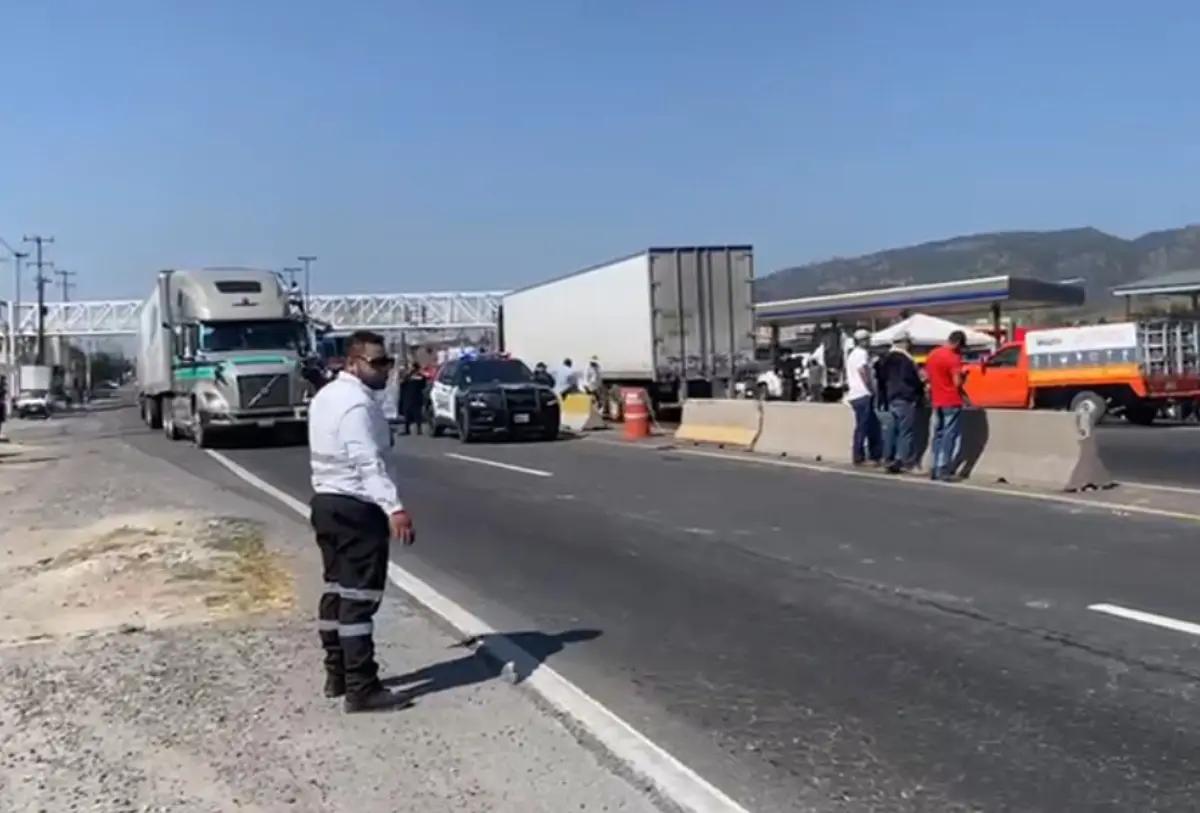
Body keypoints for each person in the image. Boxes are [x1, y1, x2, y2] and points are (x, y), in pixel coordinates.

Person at [307, 330, 416, 713]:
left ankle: (336, 675)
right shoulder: (356, 405)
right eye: (377, 362)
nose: (384, 369)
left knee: (336, 591)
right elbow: (366, 461)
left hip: (326, 504)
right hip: (355, 507)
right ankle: (361, 687)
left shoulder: (327, 396)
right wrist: (394, 508)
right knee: (359, 598)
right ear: (354, 363)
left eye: (387, 362)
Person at [876, 331, 923, 473]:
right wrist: (919, 390)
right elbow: (910, 379)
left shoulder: (885, 359)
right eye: (909, 342)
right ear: (904, 342)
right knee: (906, 431)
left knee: (891, 430)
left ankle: (888, 459)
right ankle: (906, 462)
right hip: (906, 397)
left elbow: (881, 380)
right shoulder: (905, 360)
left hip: (891, 398)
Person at [926, 330, 968, 481]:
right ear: (957, 343)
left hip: (936, 399)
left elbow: (928, 376)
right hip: (951, 400)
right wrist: (964, 375)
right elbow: (957, 383)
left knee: (937, 434)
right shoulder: (953, 358)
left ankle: (934, 466)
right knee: (949, 436)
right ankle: (943, 468)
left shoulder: (933, 354)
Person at [845, 328, 881, 465]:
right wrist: (871, 388)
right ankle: (860, 456)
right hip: (863, 394)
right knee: (864, 426)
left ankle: (869, 455)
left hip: (855, 394)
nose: (869, 341)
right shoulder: (862, 354)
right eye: (867, 339)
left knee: (866, 425)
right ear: (862, 341)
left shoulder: (852, 354)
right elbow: (863, 371)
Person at [398, 362, 427, 435]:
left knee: (417, 414)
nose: (412, 369)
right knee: (407, 414)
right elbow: (401, 383)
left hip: (416, 397)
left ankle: (419, 429)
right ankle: (407, 429)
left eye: (413, 368)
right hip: (407, 397)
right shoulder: (407, 377)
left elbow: (423, 384)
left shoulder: (420, 376)